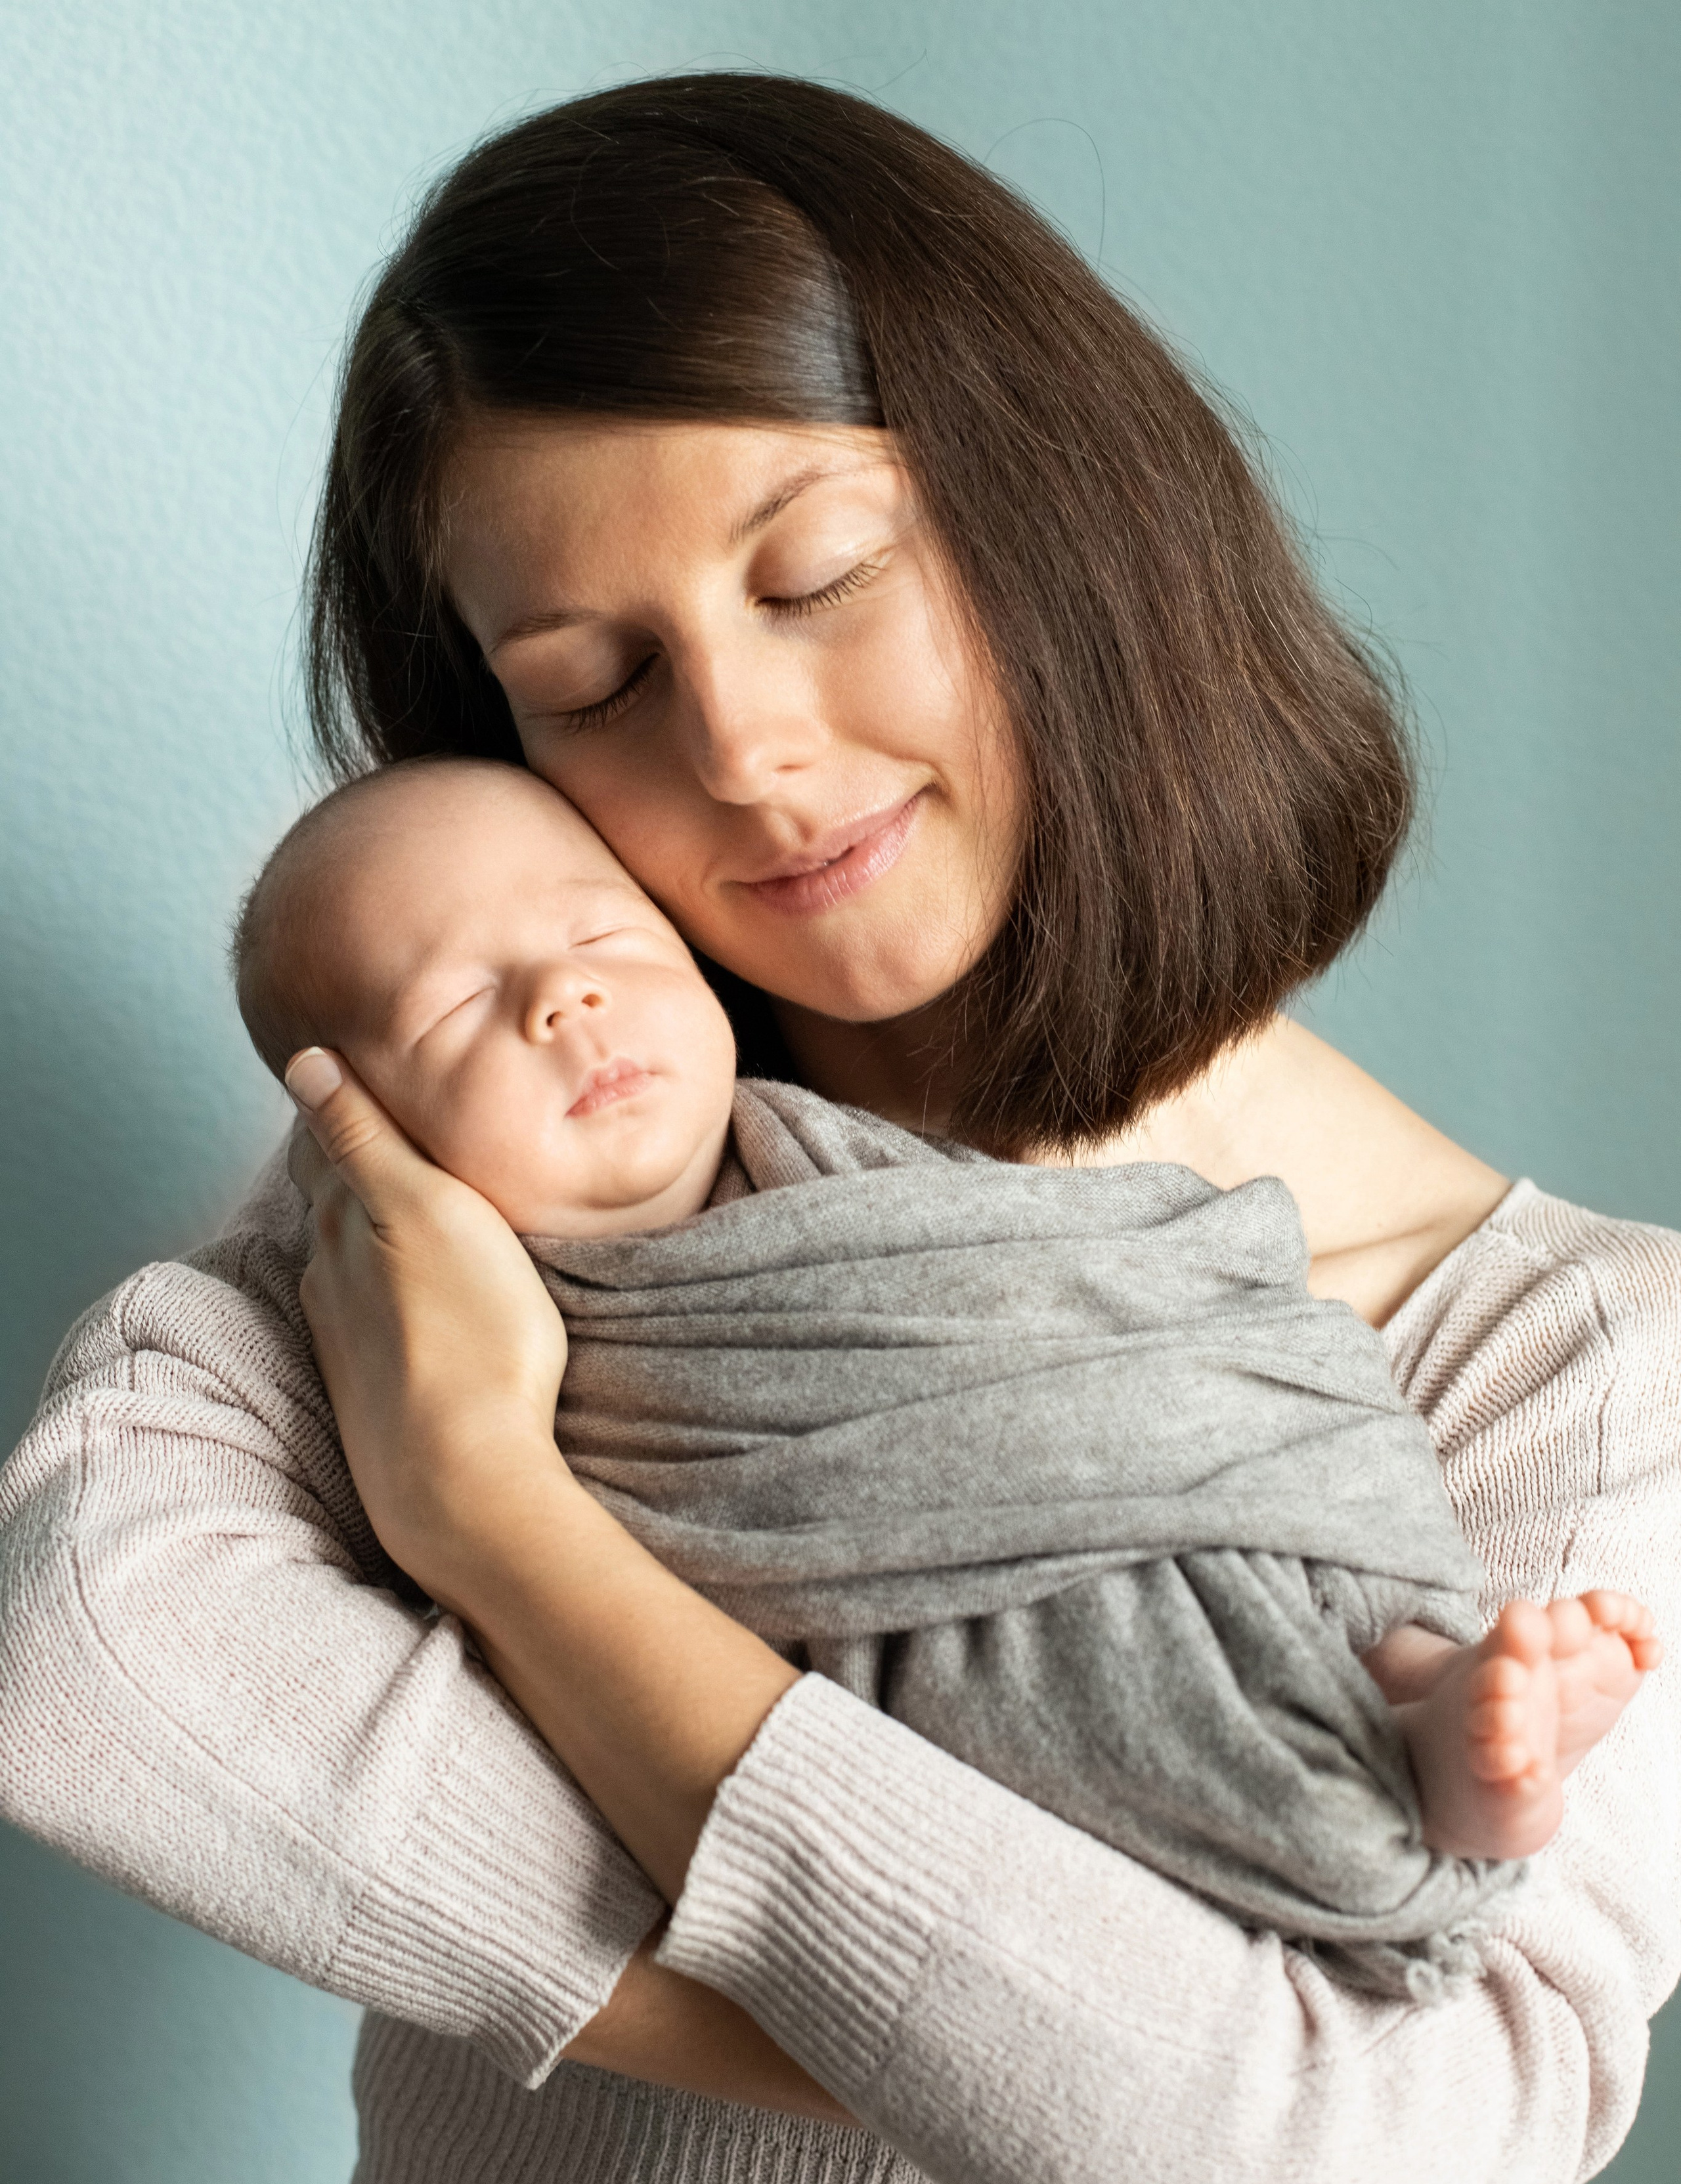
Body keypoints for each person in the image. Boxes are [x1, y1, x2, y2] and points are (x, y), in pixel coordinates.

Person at [1, 73, 1676, 2184]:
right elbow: (91, 1651)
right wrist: (1054, 2049)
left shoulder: (1572, 1359)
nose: (752, 753)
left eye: (820, 578)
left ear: (1064, 518)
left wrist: (500, 1520)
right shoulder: (531, 1149)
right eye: (597, 687)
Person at [232, 751, 1659, 1912]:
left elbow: (1057, 1287)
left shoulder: (841, 1142)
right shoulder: (419, 1314)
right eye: (460, 1008)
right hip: (907, 1633)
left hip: (1122, 1452)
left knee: (1253, 1513)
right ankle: (1392, 1770)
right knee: (1060, 1690)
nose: (565, 996)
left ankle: (1421, 1679)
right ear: (361, 1141)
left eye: (600, 934)